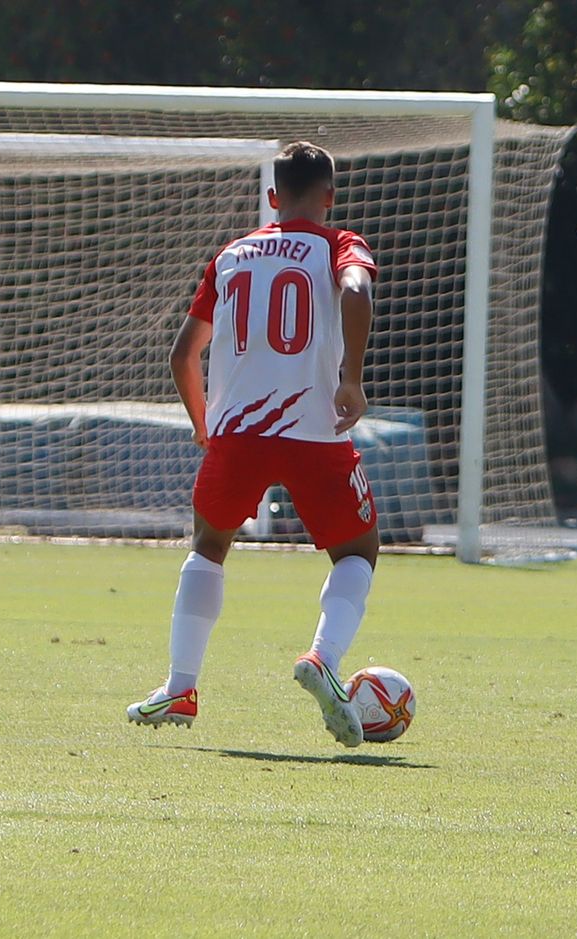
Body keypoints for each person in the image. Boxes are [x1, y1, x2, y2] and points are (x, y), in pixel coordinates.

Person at [126, 141, 381, 748]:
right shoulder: (340, 243)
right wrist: (351, 378)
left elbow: (183, 354)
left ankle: (180, 686)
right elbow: (356, 291)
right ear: (330, 197)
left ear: (272, 197)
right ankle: (323, 658)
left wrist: (202, 423)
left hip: (237, 433)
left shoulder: (232, 255)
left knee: (209, 546)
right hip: (314, 431)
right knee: (357, 552)